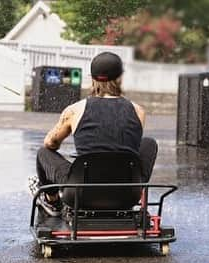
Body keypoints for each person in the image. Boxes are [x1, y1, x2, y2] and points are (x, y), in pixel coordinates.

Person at [31, 51, 157, 216]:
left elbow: (50, 143)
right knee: (149, 143)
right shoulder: (138, 111)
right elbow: (126, 145)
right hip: (126, 194)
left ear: (92, 78)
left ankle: (52, 200)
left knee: (44, 152)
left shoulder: (75, 110)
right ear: (120, 78)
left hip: (80, 194)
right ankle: (135, 189)